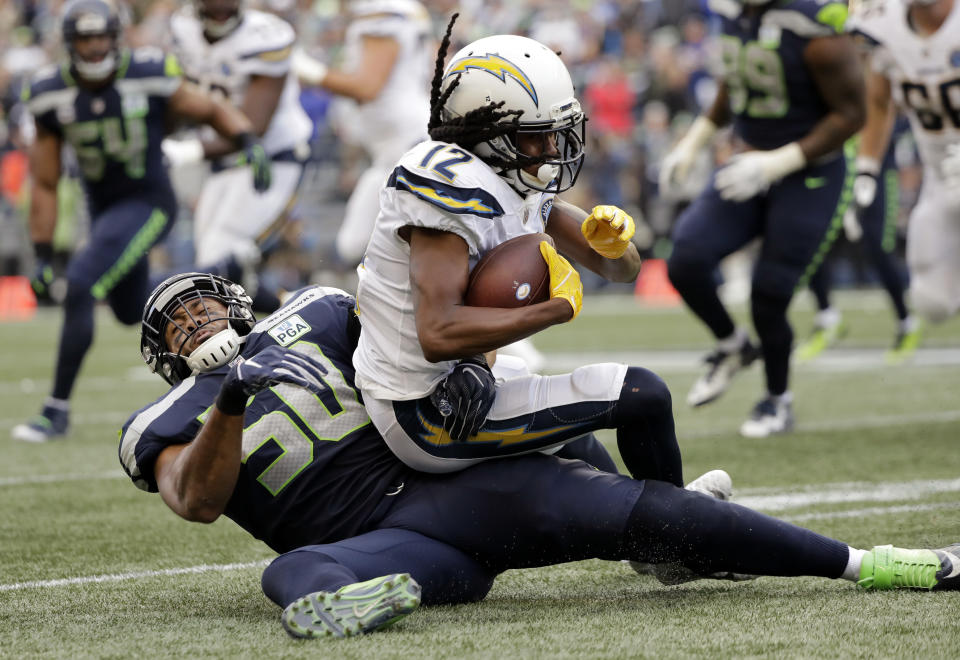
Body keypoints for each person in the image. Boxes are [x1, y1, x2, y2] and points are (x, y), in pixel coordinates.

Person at [119, 272, 959, 640]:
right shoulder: (161, 419)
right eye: (175, 325)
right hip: (396, 545)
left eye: (198, 305)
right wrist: (229, 400)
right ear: (163, 356)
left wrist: (479, 366)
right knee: (291, 577)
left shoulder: (312, 314)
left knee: (638, 508)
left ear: (234, 298)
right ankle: (394, 593)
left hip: (448, 484)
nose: (192, 323)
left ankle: (873, 563)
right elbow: (194, 500)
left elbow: (415, 347)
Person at [351, 21, 679, 475]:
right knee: (644, 394)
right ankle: (684, 532)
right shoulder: (447, 182)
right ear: (485, 131)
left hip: (464, 381)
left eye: (554, 133)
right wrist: (553, 309)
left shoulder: (513, 178)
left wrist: (618, 244)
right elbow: (437, 334)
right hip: (423, 407)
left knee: (586, 452)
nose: (549, 148)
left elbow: (621, 271)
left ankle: (671, 521)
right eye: (535, 135)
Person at [11, 0, 271, 443]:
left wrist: (246, 139)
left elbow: (207, 107)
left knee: (81, 284)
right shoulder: (50, 91)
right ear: (70, 45)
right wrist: (41, 252)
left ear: (116, 38)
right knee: (131, 308)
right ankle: (227, 273)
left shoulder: (150, 70)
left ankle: (56, 409)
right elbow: (47, 181)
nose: (94, 49)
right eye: (84, 39)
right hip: (106, 208)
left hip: (150, 199)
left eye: (100, 38)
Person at [661, 0, 865, 437]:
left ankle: (777, 400)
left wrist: (777, 163)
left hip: (813, 172)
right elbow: (739, 81)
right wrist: (695, 141)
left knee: (768, 295)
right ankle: (733, 346)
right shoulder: (736, 14)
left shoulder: (814, 25)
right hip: (749, 160)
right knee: (686, 258)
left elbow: (853, 114)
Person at [162, 0, 313, 311]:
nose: (221, 8)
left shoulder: (267, 36)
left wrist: (188, 150)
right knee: (215, 271)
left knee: (218, 264)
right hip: (222, 161)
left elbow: (252, 127)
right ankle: (301, 313)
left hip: (271, 159)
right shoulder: (183, 28)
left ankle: (313, 313)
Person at [292, 0, 433, 268]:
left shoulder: (382, 12)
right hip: (397, 145)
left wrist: (306, 68)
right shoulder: (402, 11)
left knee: (372, 243)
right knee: (353, 244)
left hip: (407, 145)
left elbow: (368, 87)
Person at [846, 0, 960, 323]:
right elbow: (879, 103)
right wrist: (866, 170)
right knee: (932, 302)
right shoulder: (882, 26)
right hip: (939, 178)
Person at [796, 136, 922, 364]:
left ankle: (906, 323)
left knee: (878, 248)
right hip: (836, 165)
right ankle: (827, 318)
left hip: (875, 167)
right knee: (810, 240)